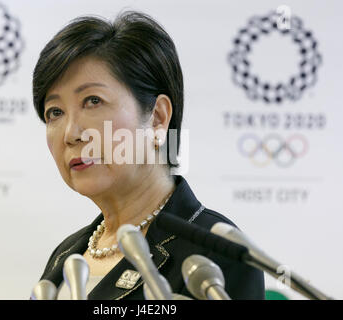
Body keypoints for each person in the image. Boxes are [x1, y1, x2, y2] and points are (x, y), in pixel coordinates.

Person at [32, 10, 264, 300]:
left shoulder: (215, 253)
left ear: (157, 118)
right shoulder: (66, 256)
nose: (70, 133)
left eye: (93, 101)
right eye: (55, 112)